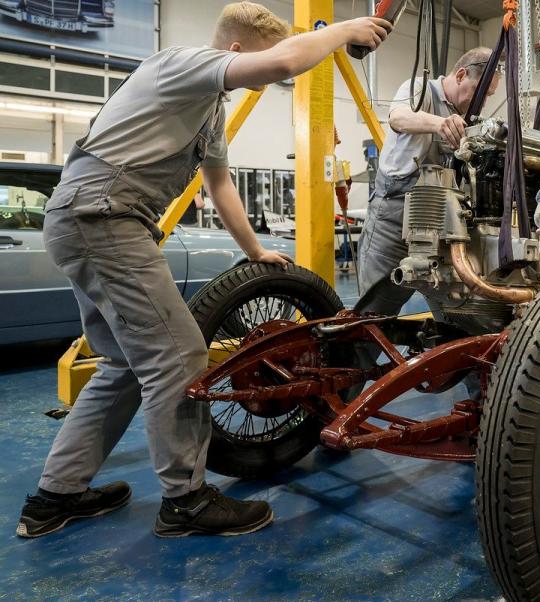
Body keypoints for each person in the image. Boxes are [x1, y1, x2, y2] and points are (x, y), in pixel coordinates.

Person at [17, 2, 391, 539]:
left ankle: (56, 496)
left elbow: (220, 186)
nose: (260, 82)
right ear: (235, 52)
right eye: (258, 63)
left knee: (124, 363)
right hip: (102, 216)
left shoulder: (209, 108)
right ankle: (185, 502)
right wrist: (342, 33)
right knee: (180, 357)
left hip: (92, 220)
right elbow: (283, 66)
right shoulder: (181, 64)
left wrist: (256, 250)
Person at [354, 47, 499, 317]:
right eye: (479, 93)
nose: (482, 102)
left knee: (456, 307)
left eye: (487, 96)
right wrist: (439, 123)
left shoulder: (469, 118)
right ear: (461, 75)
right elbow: (398, 118)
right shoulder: (420, 89)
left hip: (441, 225)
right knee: (374, 315)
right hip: (393, 219)